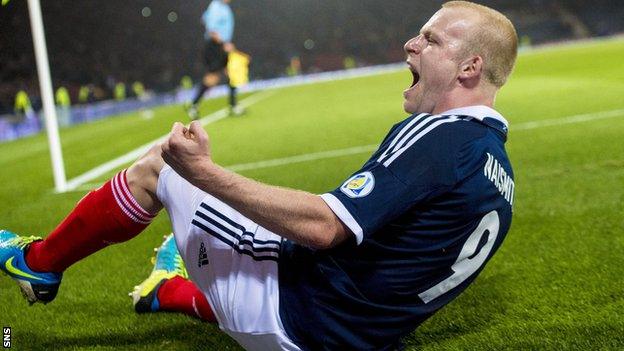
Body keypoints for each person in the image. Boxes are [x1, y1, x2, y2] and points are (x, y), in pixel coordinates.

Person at [0, 1, 518, 350]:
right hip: (352, 333)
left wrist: (201, 172)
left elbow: (322, 229)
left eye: (428, 39)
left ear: (468, 68)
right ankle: (168, 290)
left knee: (163, 164)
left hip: (294, 317)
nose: (410, 44)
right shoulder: (499, 170)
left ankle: (39, 263)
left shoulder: (440, 136)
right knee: (272, 217)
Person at [187, 0, 244, 120]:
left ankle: (233, 106)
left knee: (230, 74)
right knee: (213, 77)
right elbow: (212, 29)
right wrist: (223, 43)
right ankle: (193, 105)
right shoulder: (216, 6)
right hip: (215, 46)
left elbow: (204, 18)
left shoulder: (223, 7)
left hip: (220, 45)